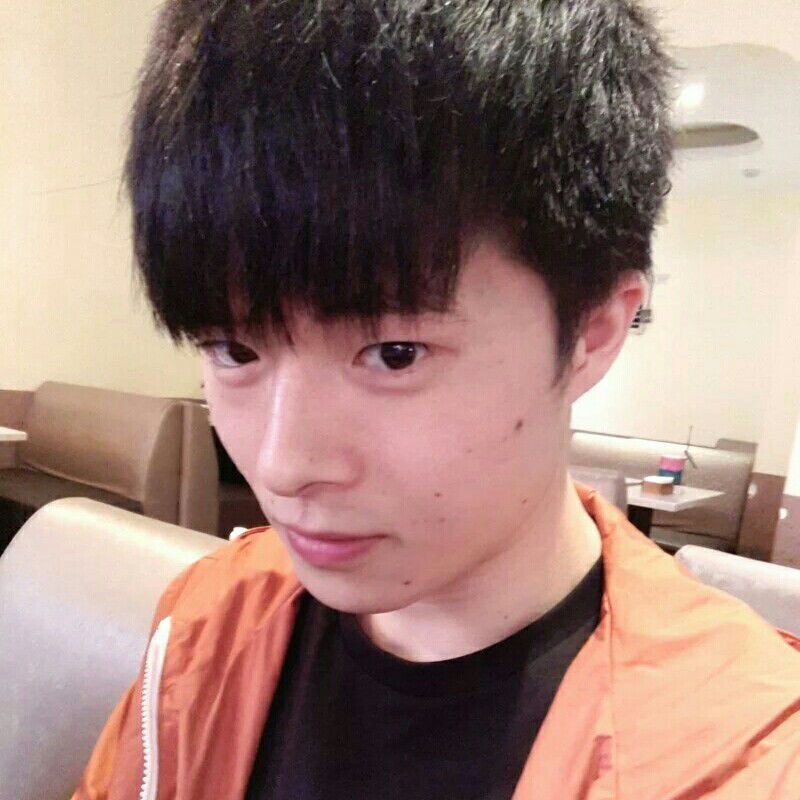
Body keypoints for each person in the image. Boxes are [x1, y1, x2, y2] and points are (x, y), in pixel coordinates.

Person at [73, 1, 800, 798]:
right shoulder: (204, 624)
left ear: (593, 329)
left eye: (395, 354)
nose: (283, 466)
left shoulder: (749, 759)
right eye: (234, 350)